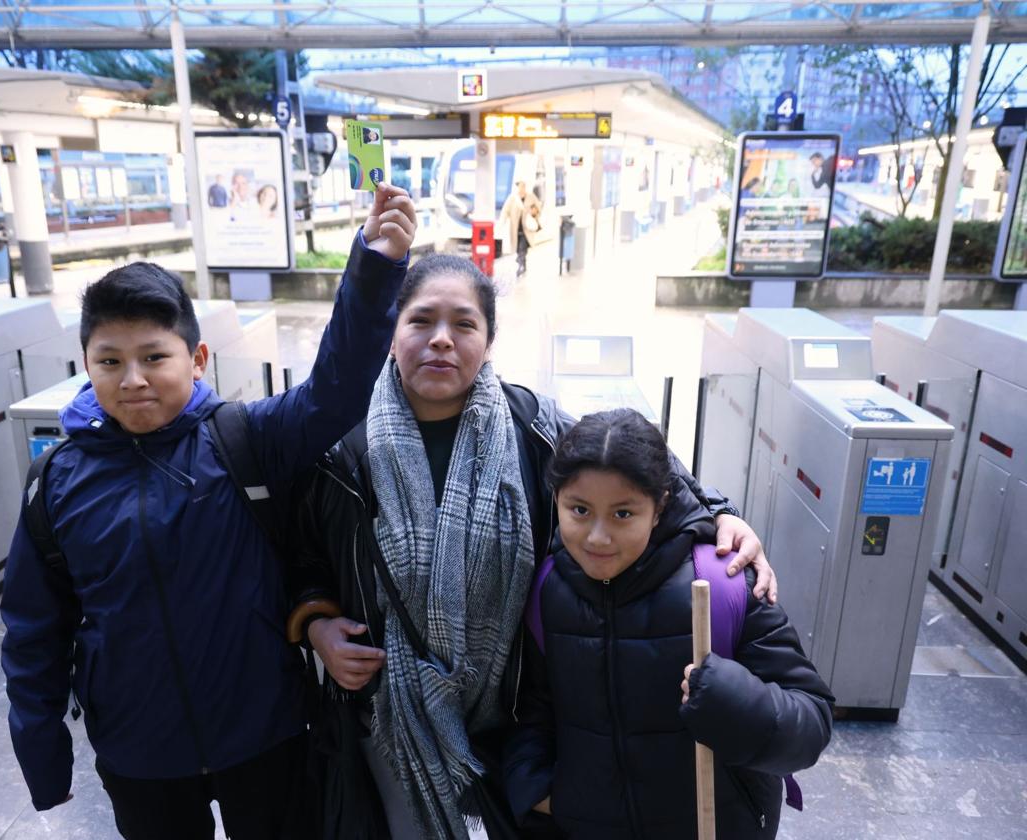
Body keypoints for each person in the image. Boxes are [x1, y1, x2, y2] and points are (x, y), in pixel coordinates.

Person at [286, 254, 776, 840]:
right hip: (391, 717)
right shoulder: (344, 446)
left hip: (513, 715)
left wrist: (720, 514)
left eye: (464, 324)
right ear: (393, 332)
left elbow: (639, 471)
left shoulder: (533, 425)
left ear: (489, 340)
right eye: (421, 321)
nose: (441, 340)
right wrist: (317, 624)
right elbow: (302, 550)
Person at [0, 184, 417, 840]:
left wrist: (373, 266)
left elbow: (336, 391)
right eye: (109, 361)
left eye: (154, 357)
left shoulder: (243, 438)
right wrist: (43, 758)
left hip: (265, 734)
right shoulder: (56, 483)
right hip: (140, 751)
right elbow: (32, 630)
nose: (132, 378)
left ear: (196, 360)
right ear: (86, 364)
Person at [503, 409, 833, 839]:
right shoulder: (548, 589)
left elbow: (811, 722)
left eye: (623, 514)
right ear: (557, 500)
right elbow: (533, 709)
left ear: (659, 507)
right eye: (580, 510)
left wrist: (734, 701)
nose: (598, 537)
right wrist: (536, 789)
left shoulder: (724, 580)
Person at [499, 180, 543, 277]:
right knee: (519, 248)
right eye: (520, 186)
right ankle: (522, 264)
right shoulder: (513, 198)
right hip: (516, 229)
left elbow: (538, 207)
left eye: (523, 186)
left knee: (522, 248)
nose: (522, 188)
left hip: (527, 229)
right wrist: (500, 224)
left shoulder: (531, 196)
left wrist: (534, 213)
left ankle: (520, 266)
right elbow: (505, 211)